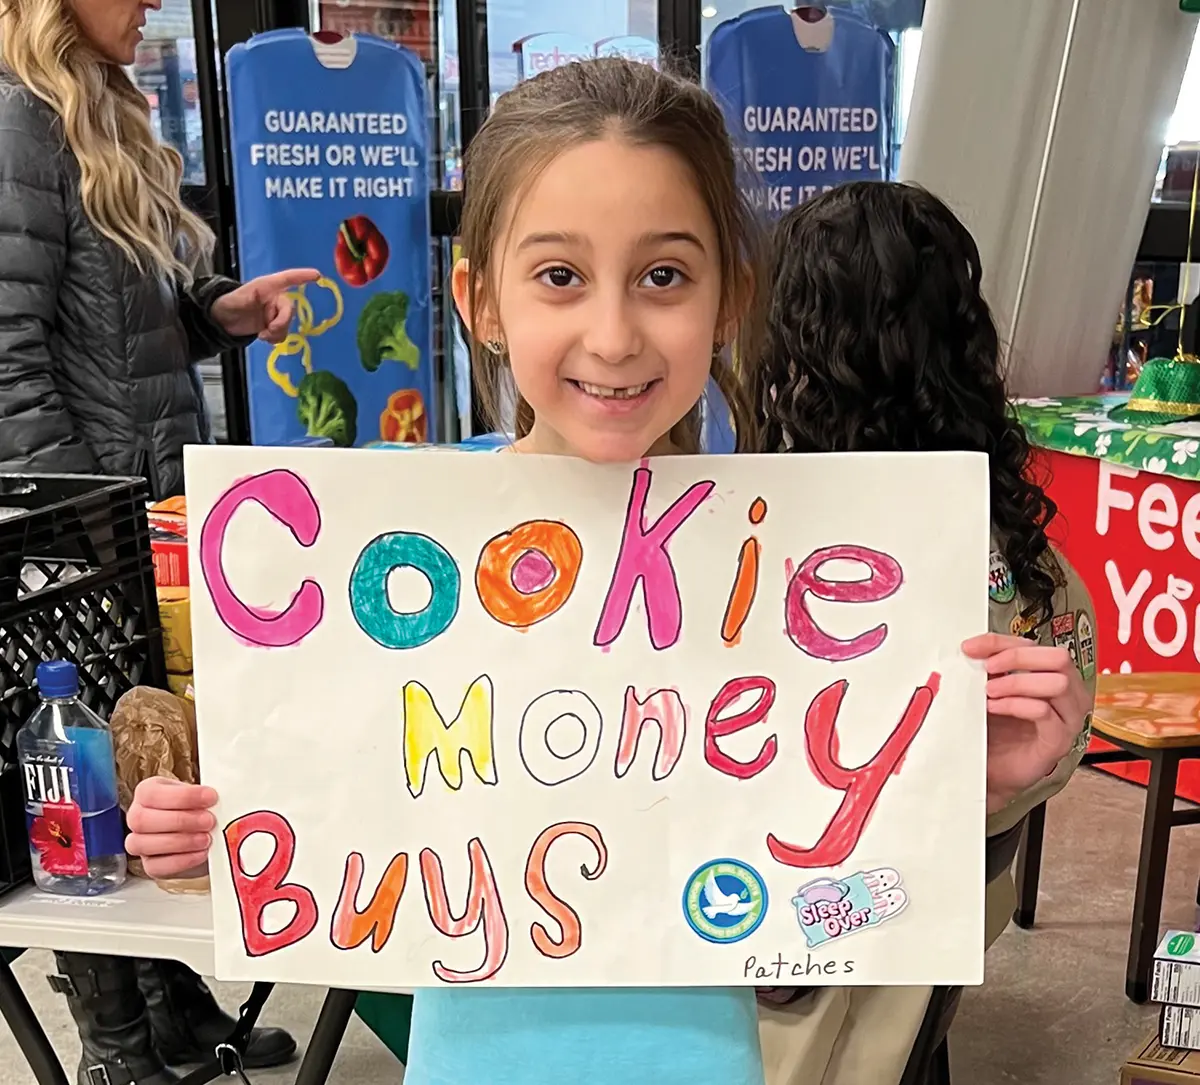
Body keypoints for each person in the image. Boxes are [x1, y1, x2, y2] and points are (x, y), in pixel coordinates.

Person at [124, 60, 1093, 1085]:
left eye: (664, 275)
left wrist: (949, 791)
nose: (615, 335)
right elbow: (322, 814)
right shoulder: (391, 569)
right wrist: (209, 835)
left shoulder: (794, 581)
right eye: (559, 275)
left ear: (731, 298)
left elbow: (835, 916)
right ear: (479, 299)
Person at [0, 2, 309, 1082]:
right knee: (77, 777)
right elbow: (5, 359)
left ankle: (171, 1011)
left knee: (149, 760)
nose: (152, 5)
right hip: (78, 535)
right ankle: (114, 1048)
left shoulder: (88, 111)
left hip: (138, 517)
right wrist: (86, 521)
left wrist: (213, 315)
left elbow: (108, 324)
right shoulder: (17, 121)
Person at [747, 180, 1097, 1084]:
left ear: (788, 342)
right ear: (964, 337)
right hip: (931, 958)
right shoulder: (1029, 559)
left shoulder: (747, 549)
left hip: (795, 966)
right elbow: (1051, 739)